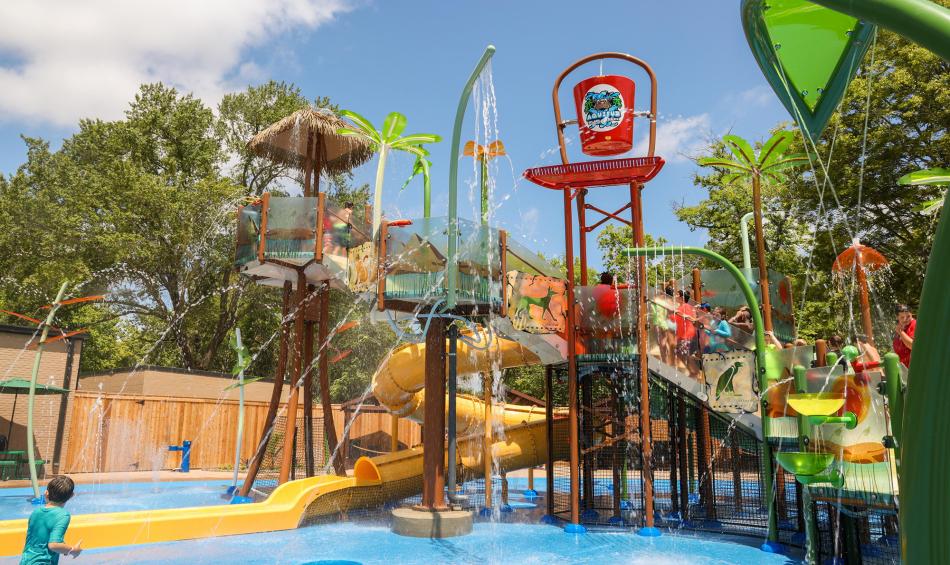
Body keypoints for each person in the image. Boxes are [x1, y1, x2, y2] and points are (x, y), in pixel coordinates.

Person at [21, 475, 81, 564]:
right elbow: (53, 545)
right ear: (71, 496)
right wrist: (72, 550)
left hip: (26, 561)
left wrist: (63, 547)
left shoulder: (36, 512)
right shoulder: (63, 515)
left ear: (46, 493)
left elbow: (40, 538)